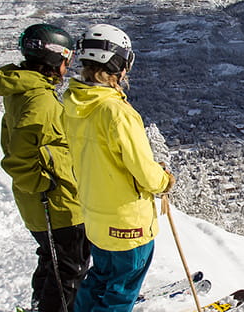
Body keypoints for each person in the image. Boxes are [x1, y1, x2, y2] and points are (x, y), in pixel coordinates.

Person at [62, 24, 176, 312]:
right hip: (128, 224)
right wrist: (164, 180)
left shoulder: (73, 103)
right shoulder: (117, 112)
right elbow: (145, 173)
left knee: (99, 277)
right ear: (120, 66)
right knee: (120, 291)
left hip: (96, 217)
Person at [0, 23, 91, 312]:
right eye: (66, 59)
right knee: (70, 267)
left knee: (53, 260)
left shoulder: (24, 92)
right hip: (56, 204)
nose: (67, 67)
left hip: (40, 202)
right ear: (54, 59)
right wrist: (42, 184)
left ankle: (41, 304)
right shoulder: (40, 102)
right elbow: (19, 157)